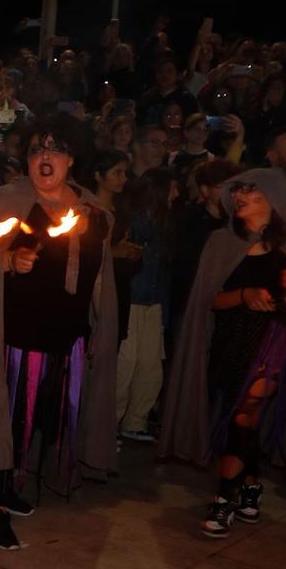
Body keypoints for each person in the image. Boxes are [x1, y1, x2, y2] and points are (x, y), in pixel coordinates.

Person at [0, 115, 119, 550]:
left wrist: (99, 332)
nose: (43, 157)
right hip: (16, 332)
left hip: (67, 334)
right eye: (35, 149)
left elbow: (100, 279)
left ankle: (9, 484)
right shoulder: (5, 201)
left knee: (40, 418)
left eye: (53, 148)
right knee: (6, 414)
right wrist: (9, 263)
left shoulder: (91, 211)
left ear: (71, 158)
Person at [158, 168, 286, 529]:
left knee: (246, 409)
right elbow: (210, 301)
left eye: (249, 190)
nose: (238, 196)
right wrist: (244, 295)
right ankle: (250, 485)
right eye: (236, 191)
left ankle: (222, 499)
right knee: (243, 416)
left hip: (276, 338)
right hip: (231, 340)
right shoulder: (221, 243)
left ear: (273, 197)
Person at [114, 169, 175, 441]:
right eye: (172, 188)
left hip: (153, 300)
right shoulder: (132, 222)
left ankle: (134, 422)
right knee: (125, 364)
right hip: (132, 298)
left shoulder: (164, 225)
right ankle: (110, 423)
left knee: (150, 366)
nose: (177, 193)